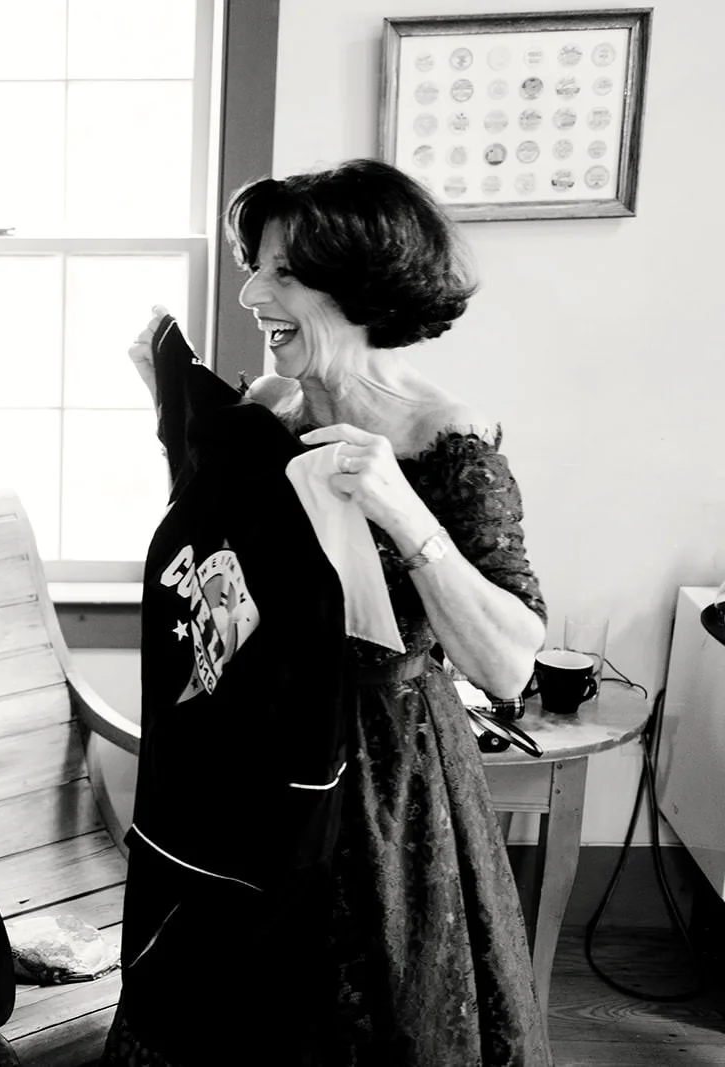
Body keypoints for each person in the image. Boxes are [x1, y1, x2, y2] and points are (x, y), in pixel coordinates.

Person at [108, 158, 550, 1065]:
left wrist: (403, 510)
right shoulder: (269, 409)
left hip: (381, 784)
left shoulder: (447, 441)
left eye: (284, 273)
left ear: (360, 287)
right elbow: (227, 567)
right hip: (254, 757)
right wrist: (177, 420)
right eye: (255, 266)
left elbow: (510, 663)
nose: (250, 293)